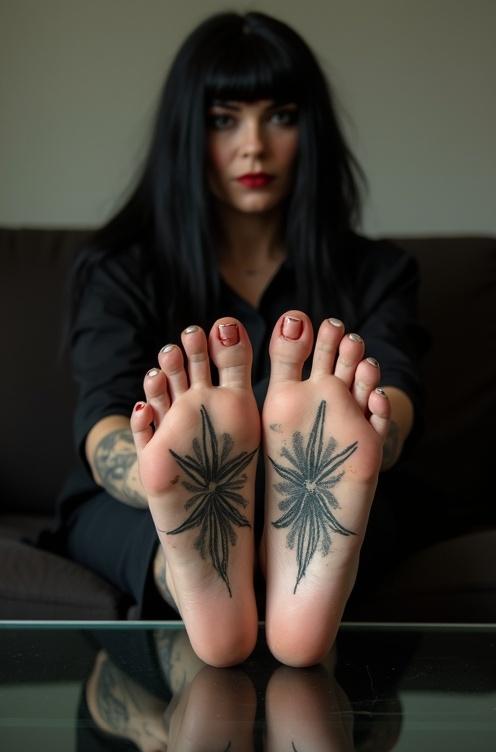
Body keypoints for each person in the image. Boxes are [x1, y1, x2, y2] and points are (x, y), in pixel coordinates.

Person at [56, 11, 425, 667]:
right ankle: (204, 572)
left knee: (363, 504)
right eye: (224, 119)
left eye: (280, 116)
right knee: (154, 524)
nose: (253, 145)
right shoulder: (122, 271)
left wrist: (361, 441)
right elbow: (103, 423)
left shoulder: (378, 273)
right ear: (185, 133)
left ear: (310, 131)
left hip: (324, 498)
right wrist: (183, 482)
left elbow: (394, 397)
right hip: (146, 503)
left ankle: (241, 578)